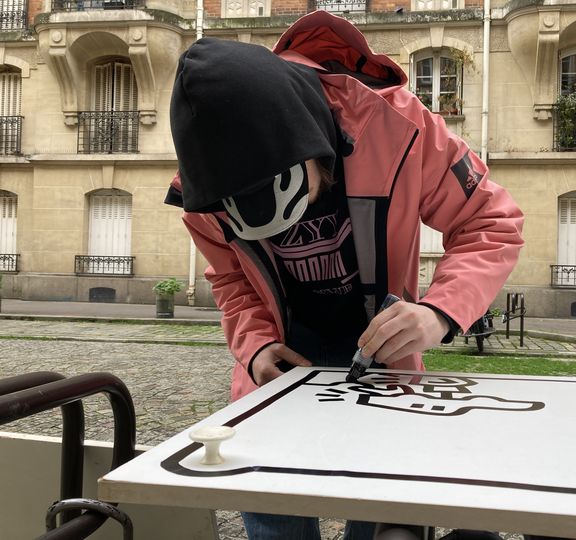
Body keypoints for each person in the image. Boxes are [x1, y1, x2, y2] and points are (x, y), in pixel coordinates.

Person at [166, 9, 524, 540]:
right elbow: (231, 282)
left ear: (311, 139)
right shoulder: (202, 192)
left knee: (381, 510)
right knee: (272, 510)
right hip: (278, 369)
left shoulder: (398, 127)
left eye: (294, 196)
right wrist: (256, 346)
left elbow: (489, 222)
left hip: (383, 359)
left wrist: (438, 312)